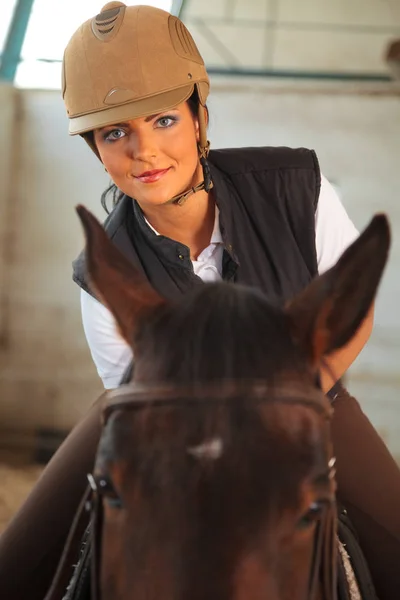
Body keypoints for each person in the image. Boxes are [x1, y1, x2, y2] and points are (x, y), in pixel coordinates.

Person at [0, 3, 399, 599]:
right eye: (115, 133)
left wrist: (287, 408)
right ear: (96, 150)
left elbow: (352, 312)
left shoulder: (297, 188)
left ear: (197, 116)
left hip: (305, 399)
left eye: (161, 121)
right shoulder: (100, 274)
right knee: (19, 560)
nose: (143, 151)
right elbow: (141, 391)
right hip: (165, 416)